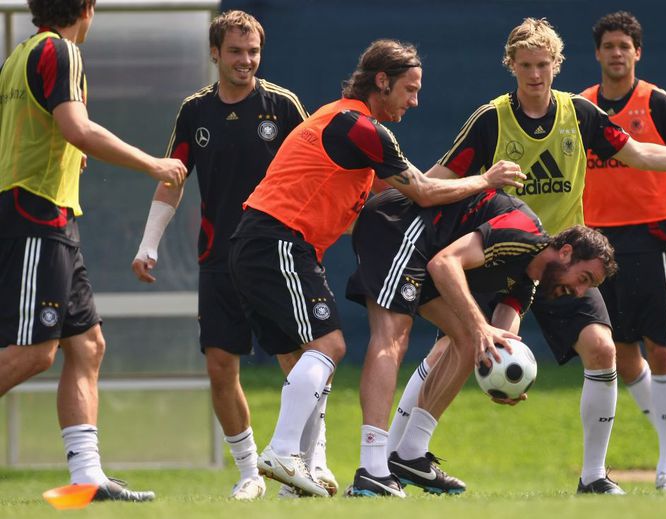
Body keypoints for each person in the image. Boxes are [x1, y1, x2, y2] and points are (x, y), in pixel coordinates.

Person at [386, 17, 666, 495]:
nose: (535, 75)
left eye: (543, 65)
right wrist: (395, 197)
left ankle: (594, 476)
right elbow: (441, 176)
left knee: (602, 349)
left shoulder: (579, 113)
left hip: (562, 260)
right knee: (453, 345)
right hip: (500, 252)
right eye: (525, 65)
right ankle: (393, 459)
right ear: (510, 65)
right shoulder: (492, 118)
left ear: (557, 65)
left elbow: (639, 153)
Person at [227, 39, 523, 497]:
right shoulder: (360, 127)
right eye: (409, 89)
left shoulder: (340, 123)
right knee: (329, 345)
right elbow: (423, 191)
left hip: (262, 243)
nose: (415, 101)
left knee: (305, 358)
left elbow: (385, 202)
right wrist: (486, 180)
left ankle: (297, 475)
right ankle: (283, 451)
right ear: (381, 81)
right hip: (279, 241)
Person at [130, 11, 332, 500]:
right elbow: (173, 177)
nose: (246, 61)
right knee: (221, 364)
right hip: (218, 258)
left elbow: (317, 170)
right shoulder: (194, 111)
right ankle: (249, 473)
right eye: (237, 51)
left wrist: (313, 239)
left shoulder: (283, 106)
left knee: (295, 359)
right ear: (215, 54)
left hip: (275, 254)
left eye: (254, 52)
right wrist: (148, 244)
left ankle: (312, 465)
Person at [0, 0, 186, 502]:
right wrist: (152, 163)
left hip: (49, 212)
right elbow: (76, 126)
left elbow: (42, 131)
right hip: (36, 214)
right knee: (34, 353)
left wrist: (69, 151)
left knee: (87, 345)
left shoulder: (21, 52)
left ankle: (86, 478)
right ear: (87, 8)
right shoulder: (63, 51)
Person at [347, 187, 617, 496]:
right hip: (395, 225)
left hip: (426, 247)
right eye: (583, 279)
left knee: (465, 341)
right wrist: (479, 328)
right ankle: (372, 469)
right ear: (566, 252)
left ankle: (410, 454)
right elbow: (444, 264)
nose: (581, 292)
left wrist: (501, 376)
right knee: (394, 336)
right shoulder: (522, 229)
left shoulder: (527, 283)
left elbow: (498, 342)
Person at [580, 11, 666, 492]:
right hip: (597, 242)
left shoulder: (658, 103)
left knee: (661, 349)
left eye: (625, 46)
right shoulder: (582, 107)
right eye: (609, 46)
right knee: (620, 351)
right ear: (597, 53)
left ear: (638, 52)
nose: (617, 53)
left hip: (649, 239)